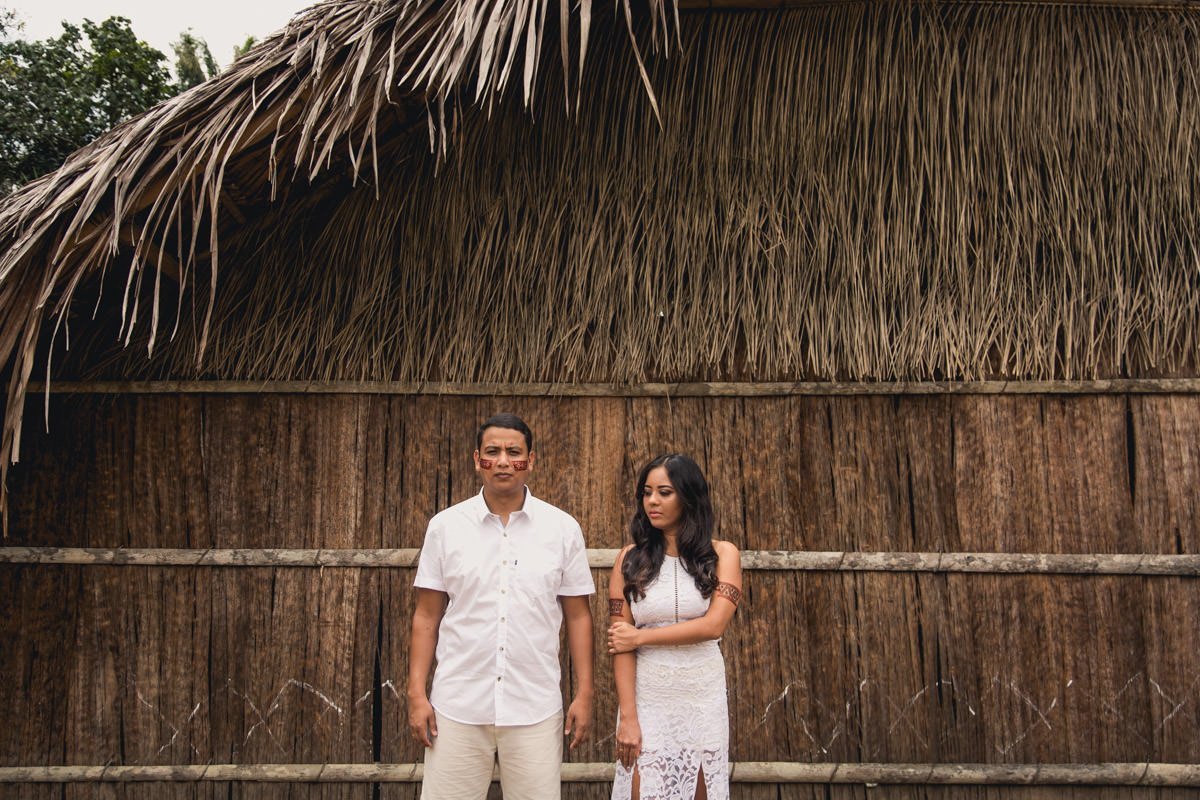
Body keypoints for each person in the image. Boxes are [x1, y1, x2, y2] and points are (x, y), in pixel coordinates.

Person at [407, 412, 595, 800]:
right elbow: (426, 616)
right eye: (493, 452)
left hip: (535, 705)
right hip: (456, 705)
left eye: (514, 452)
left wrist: (585, 692)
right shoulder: (446, 527)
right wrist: (416, 693)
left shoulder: (562, 529)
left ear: (531, 460)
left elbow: (578, 616)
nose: (504, 461)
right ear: (477, 460)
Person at [607, 454, 742, 800]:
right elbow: (621, 645)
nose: (652, 501)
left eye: (664, 492)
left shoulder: (723, 555)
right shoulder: (628, 560)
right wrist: (628, 717)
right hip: (649, 698)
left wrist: (641, 636)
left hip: (702, 697)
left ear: (689, 496)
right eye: (646, 492)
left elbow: (713, 626)